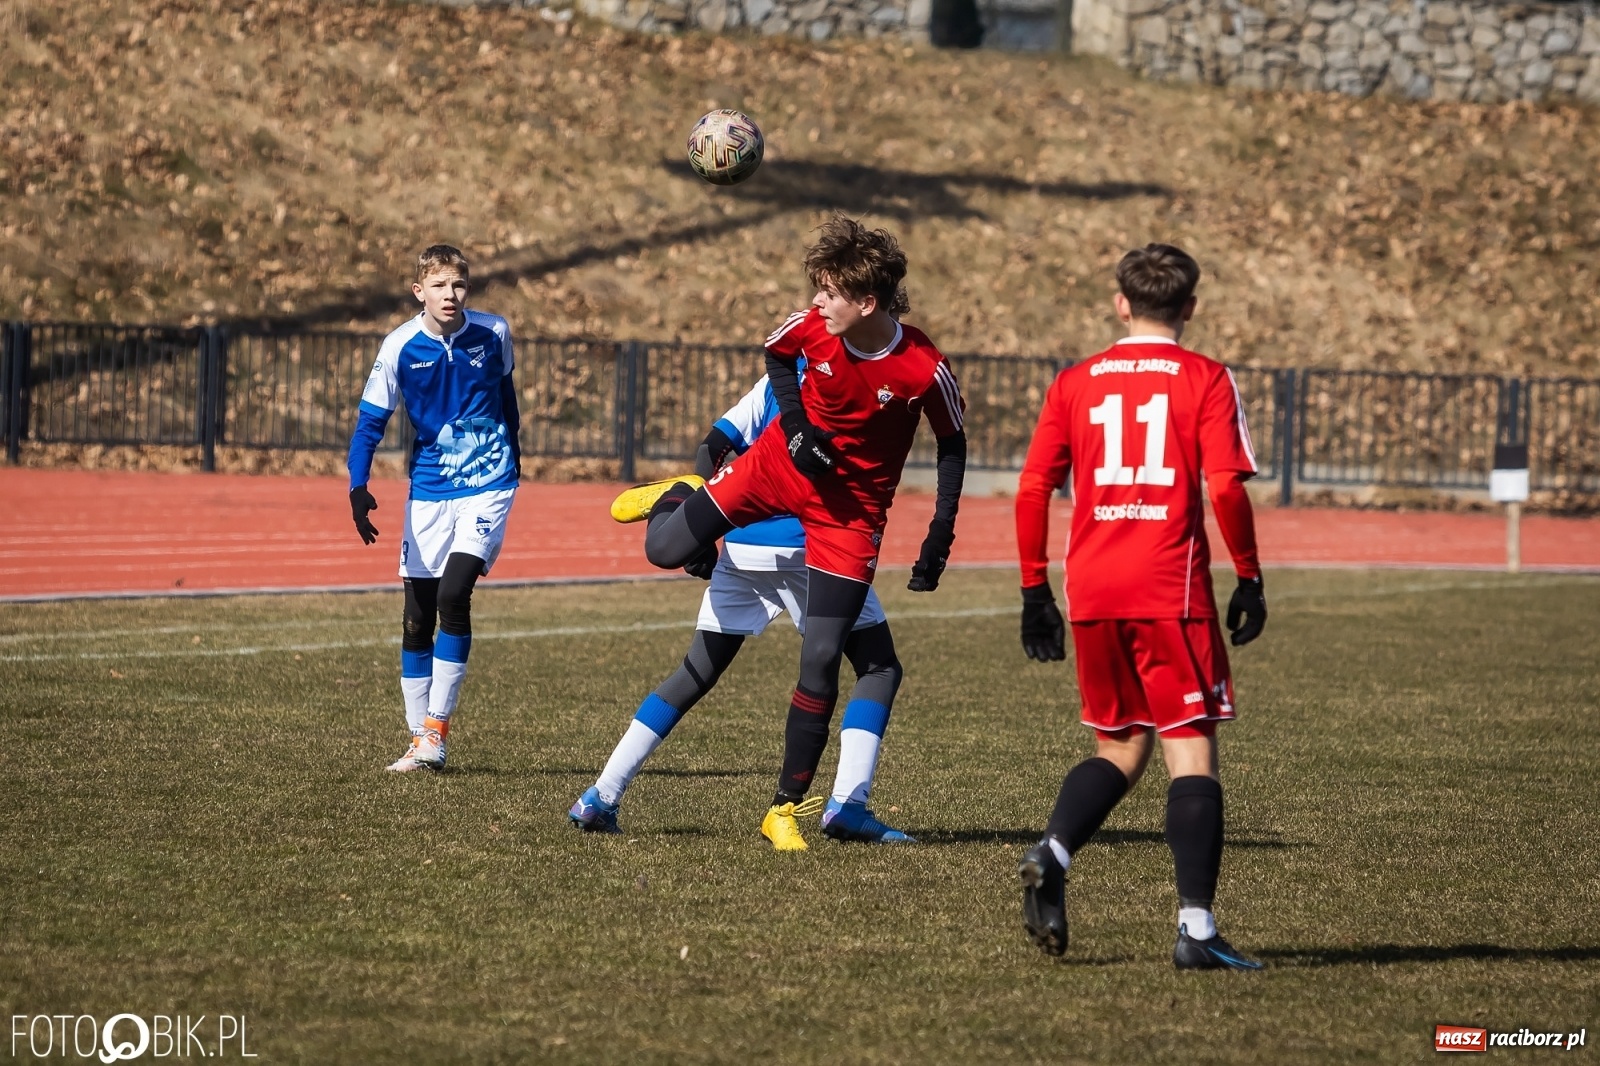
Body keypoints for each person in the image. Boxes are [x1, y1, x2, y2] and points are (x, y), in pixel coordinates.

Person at [610, 216, 968, 850]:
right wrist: (798, 427)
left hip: (849, 514)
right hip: (774, 467)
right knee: (665, 549)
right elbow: (776, 355)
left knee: (824, 658)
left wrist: (941, 528)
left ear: (867, 303)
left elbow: (952, 444)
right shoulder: (810, 328)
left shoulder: (923, 366)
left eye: (828, 293)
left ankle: (784, 808)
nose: (815, 303)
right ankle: (683, 491)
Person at [1012, 243, 1268, 970]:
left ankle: (1053, 851)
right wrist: (1249, 576)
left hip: (1091, 588)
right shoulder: (1206, 378)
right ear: (1189, 307)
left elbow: (1033, 490)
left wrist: (1034, 590)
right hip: (1169, 589)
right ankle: (1195, 929)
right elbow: (1224, 487)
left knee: (1122, 744)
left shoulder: (1075, 381)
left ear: (1121, 302)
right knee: (1190, 751)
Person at [570, 372, 910, 846]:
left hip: (744, 539)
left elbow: (711, 449)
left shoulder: (775, 380)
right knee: (878, 668)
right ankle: (848, 807)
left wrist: (702, 529)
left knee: (694, 672)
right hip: (813, 548)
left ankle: (599, 797)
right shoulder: (866, 381)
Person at [346, 244, 521, 773]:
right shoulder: (399, 347)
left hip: (489, 482)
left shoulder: (494, 333)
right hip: (428, 492)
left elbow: (506, 395)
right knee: (417, 618)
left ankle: (437, 729)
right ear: (419, 291)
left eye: (459, 285)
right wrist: (358, 487)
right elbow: (370, 424)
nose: (451, 295)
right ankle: (420, 741)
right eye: (440, 286)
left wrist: (515, 449)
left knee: (453, 593)